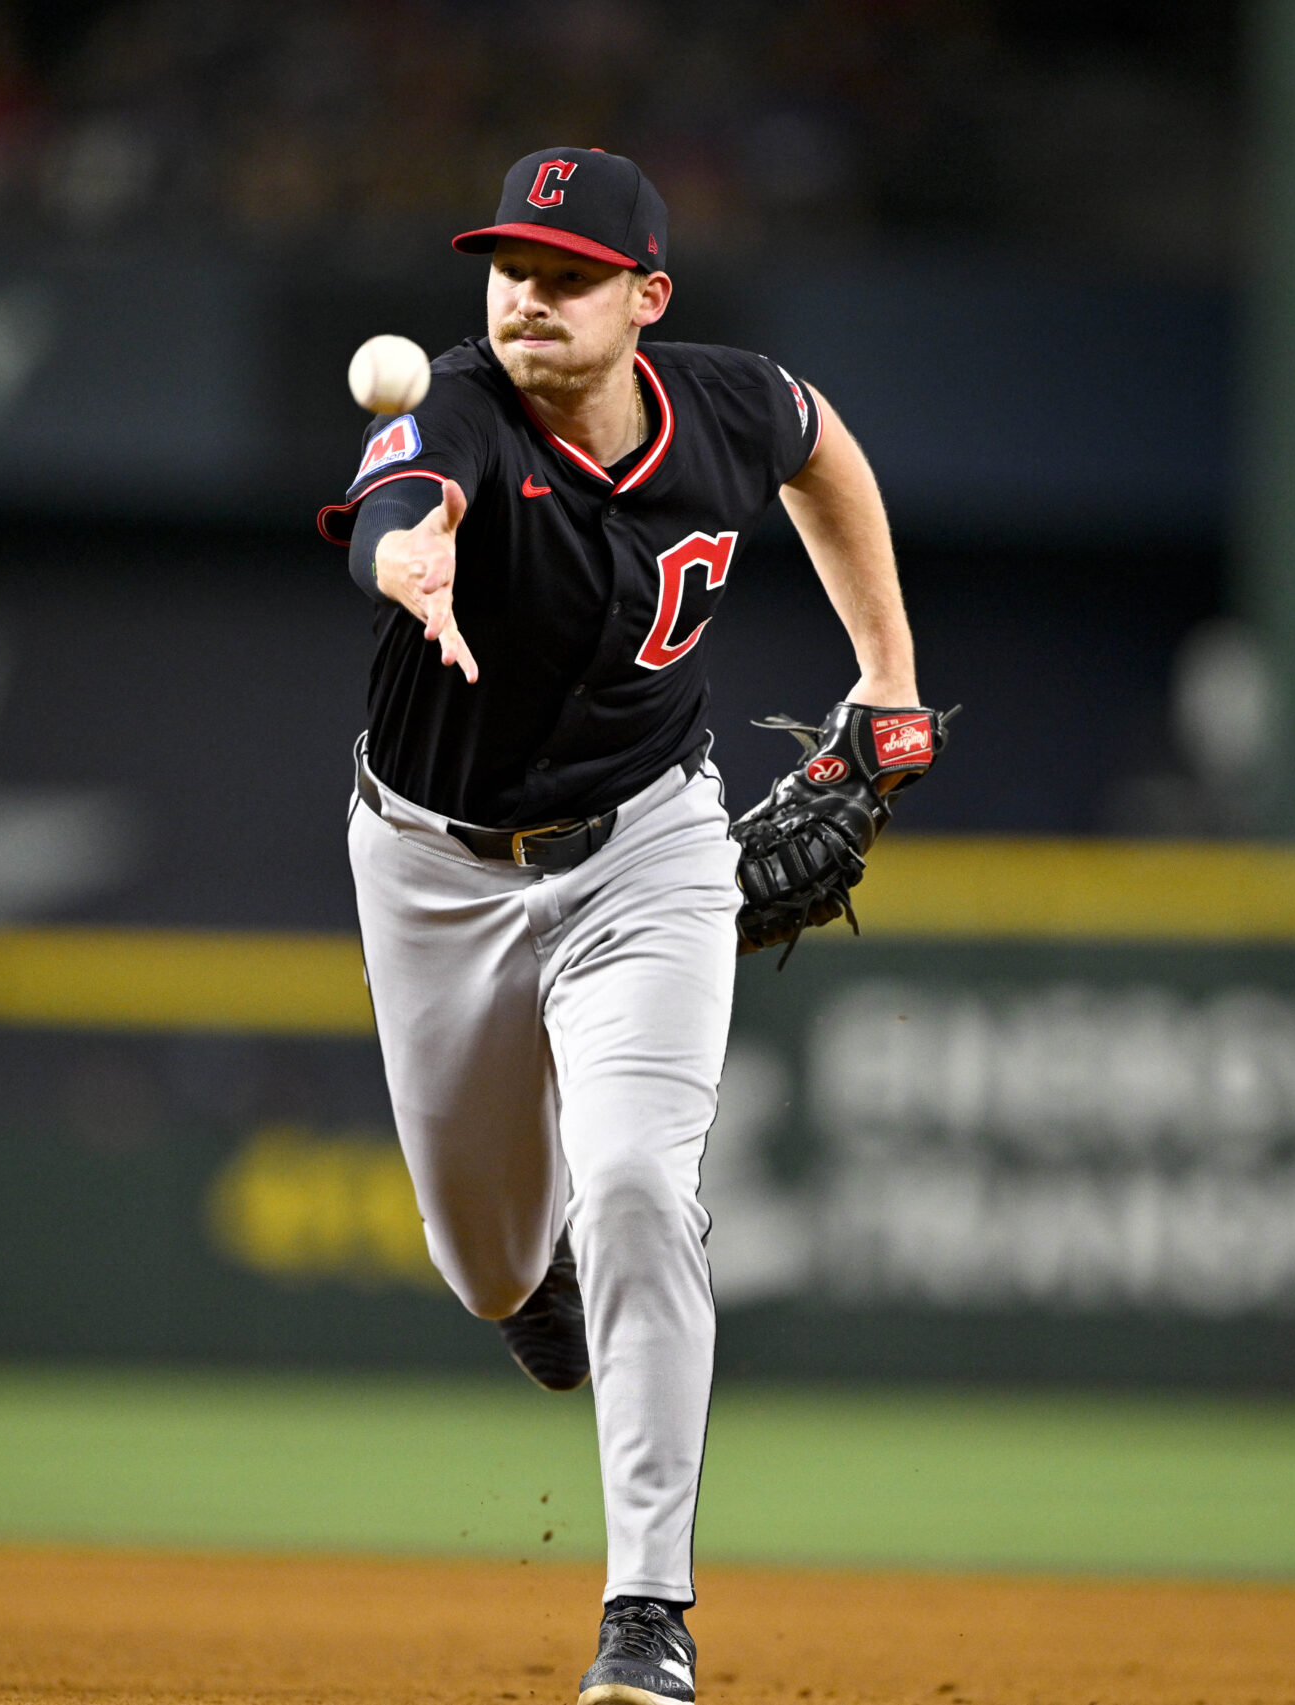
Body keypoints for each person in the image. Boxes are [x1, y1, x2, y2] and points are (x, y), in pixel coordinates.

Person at [317, 146, 928, 1705]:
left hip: (651, 847)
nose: (528, 295)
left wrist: (888, 680)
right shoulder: (461, 401)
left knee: (643, 1186)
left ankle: (645, 1615)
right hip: (436, 872)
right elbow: (407, 489)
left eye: (569, 274)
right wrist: (412, 549)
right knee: (483, 1260)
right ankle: (534, 1301)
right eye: (511, 266)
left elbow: (825, 450)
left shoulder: (723, 404)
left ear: (646, 299)